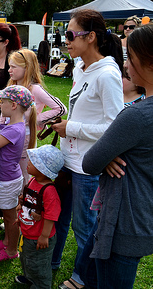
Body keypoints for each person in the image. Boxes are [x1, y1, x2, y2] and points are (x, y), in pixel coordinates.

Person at [50, 9, 124, 289]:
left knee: (85, 229)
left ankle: (83, 279)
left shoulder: (107, 74)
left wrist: (71, 127)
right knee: (59, 219)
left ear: (91, 37)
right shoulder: (80, 68)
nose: (65, 41)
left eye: (70, 35)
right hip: (69, 159)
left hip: (87, 166)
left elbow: (115, 127)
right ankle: (53, 264)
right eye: (64, 35)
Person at [81, 23, 153, 289]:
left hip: (124, 224)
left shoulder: (137, 115)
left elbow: (90, 162)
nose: (126, 66)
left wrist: (108, 155)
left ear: (148, 63)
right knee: (89, 271)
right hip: (143, 216)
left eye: (130, 58)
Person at [0, 85, 37, 262]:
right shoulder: (10, 125)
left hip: (7, 180)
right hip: (3, 178)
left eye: (2, 102)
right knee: (7, 214)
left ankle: (12, 250)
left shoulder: (14, 129)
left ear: (13, 105)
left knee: (10, 216)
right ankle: (7, 241)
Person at [6, 49, 67, 184]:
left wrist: (37, 119)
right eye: (9, 66)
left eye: (13, 67)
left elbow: (61, 108)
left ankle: (25, 199)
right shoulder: (12, 86)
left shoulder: (35, 89)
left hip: (26, 139)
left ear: (26, 68)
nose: (9, 70)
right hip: (8, 137)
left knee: (23, 174)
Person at [15, 145, 63, 288]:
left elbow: (50, 216)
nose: (28, 162)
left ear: (43, 169)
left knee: (39, 264)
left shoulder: (49, 192)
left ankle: (41, 285)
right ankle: (29, 277)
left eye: (33, 161)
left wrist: (44, 236)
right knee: (26, 258)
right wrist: (21, 217)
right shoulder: (32, 181)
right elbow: (28, 202)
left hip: (39, 238)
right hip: (27, 233)